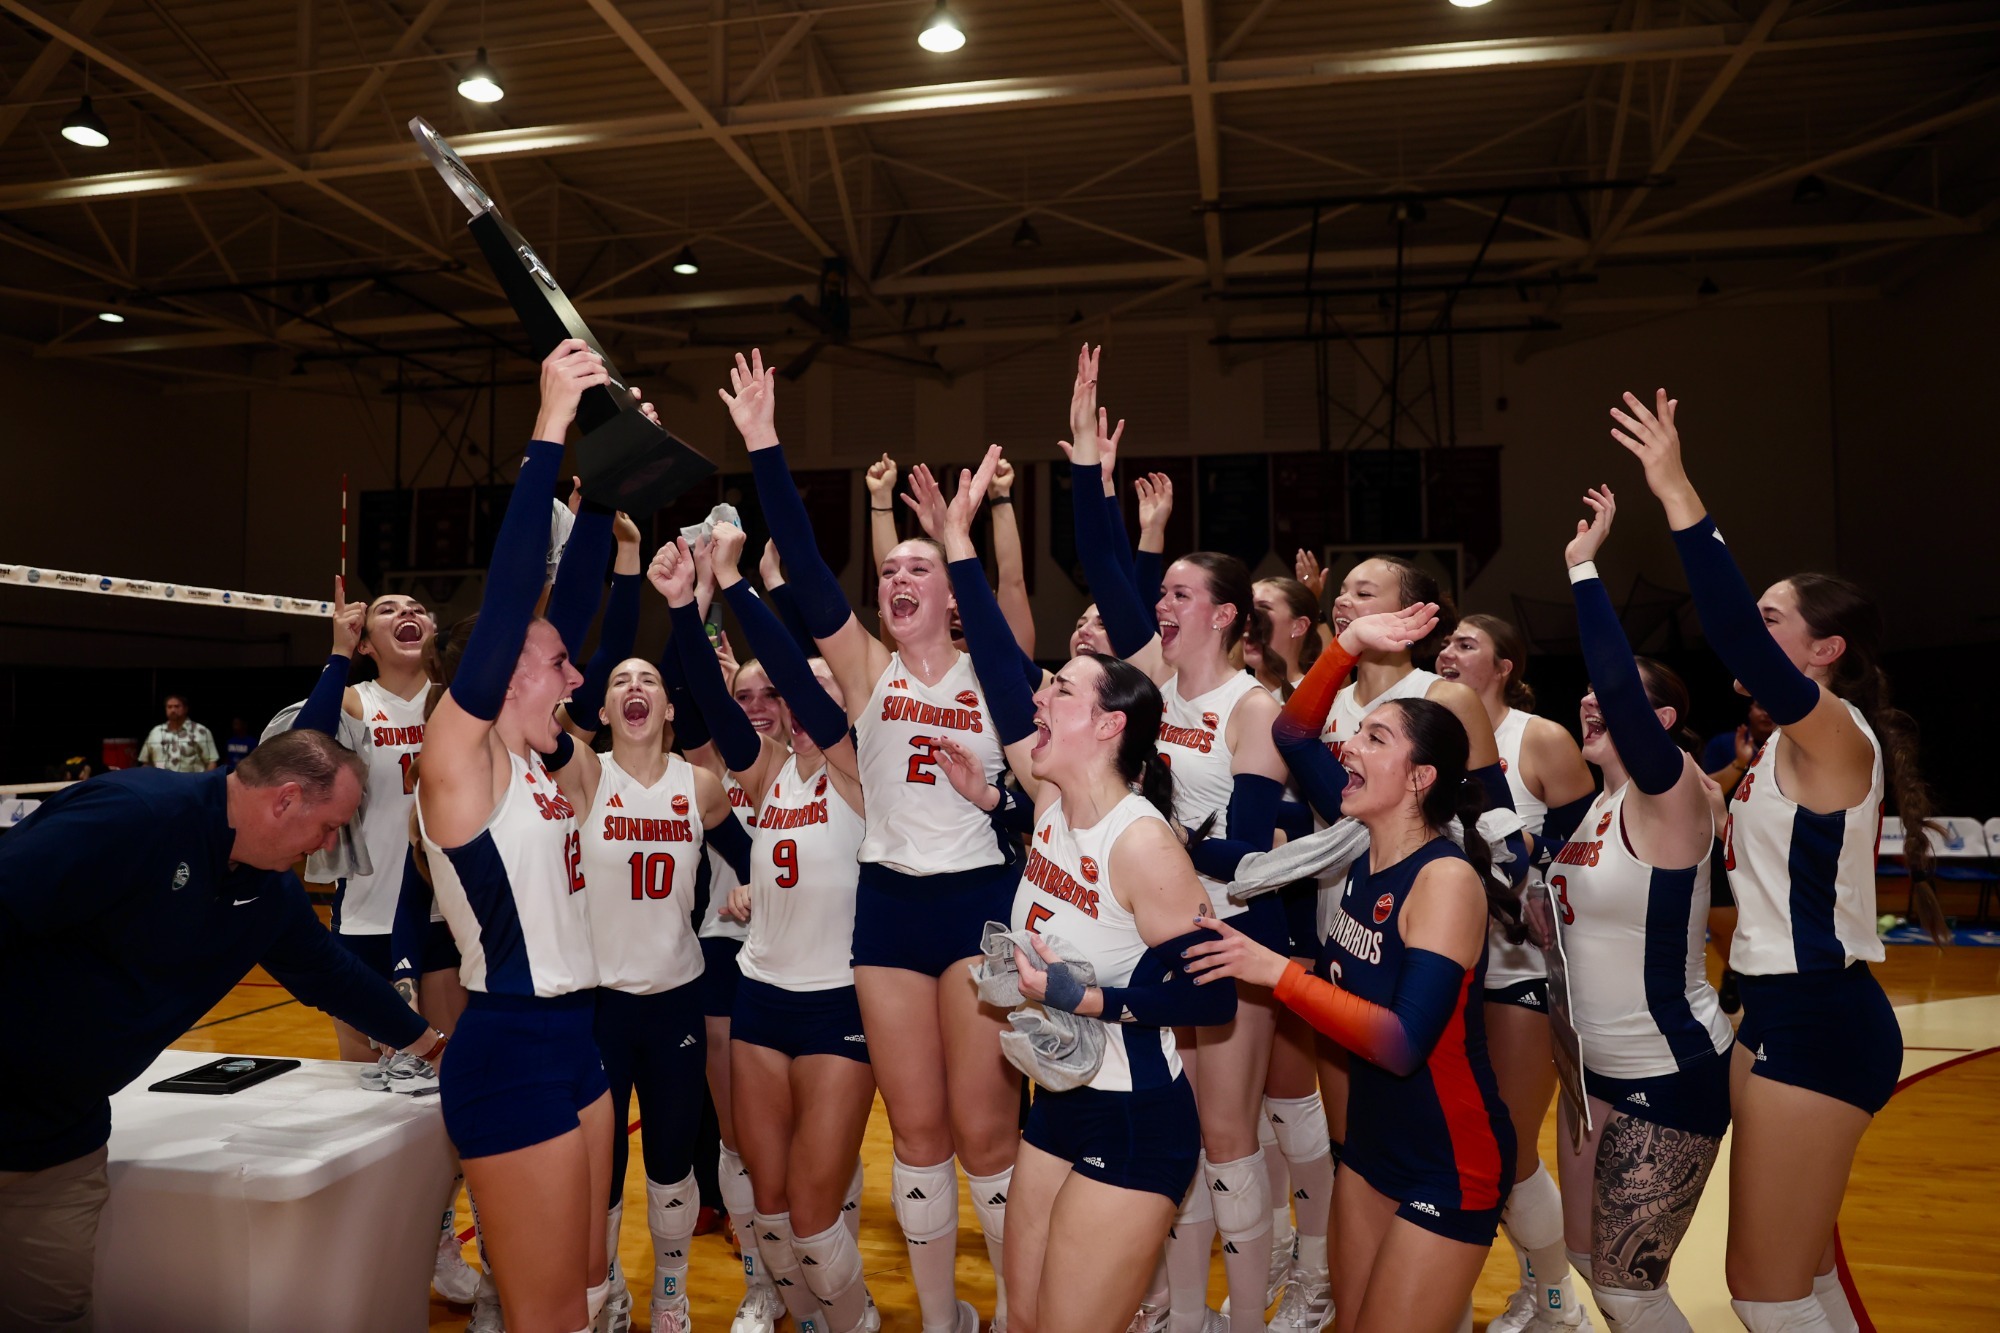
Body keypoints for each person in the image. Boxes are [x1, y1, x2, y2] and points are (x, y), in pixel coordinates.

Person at [1612, 388, 1944, 1333]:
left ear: (1825, 649)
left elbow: (1730, 632)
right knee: (1805, 1278)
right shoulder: (1771, 752)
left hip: (1822, 1015)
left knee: (1763, 1291)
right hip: (1768, 1005)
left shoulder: (1834, 734)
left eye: (1774, 619)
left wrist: (1676, 489)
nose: (1755, 633)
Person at [910, 451, 1234, 1333]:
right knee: (1025, 1321)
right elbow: (1002, 672)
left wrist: (1079, 992)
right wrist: (955, 543)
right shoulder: (1052, 794)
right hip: (1057, 1103)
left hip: (1137, 1119)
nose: (1041, 695)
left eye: (1062, 689)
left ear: (1111, 724)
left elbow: (1210, 993)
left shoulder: (1144, 843)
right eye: (1048, 687)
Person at [734, 350, 1015, 1333]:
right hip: (888, 909)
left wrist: (965, 534)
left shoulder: (993, 671)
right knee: (921, 1132)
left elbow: (998, 597)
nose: (897, 577)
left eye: (918, 569)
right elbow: (808, 576)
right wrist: (764, 442)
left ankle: (1020, 1309)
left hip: (979, 900)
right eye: (888, 568)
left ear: (950, 594)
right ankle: (940, 1322)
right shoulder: (865, 672)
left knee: (986, 1128)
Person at [0, 729, 444, 1331]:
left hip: (57, 1141)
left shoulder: (266, 889)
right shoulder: (134, 817)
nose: (329, 844)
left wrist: (432, 1046)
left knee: (50, 1314)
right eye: (329, 825)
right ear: (285, 800)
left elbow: (329, 974)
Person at [1061, 344, 1288, 1333]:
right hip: (1154, 934)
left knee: (1231, 1137)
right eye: (1163, 598)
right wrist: (1083, 464)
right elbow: (1106, 565)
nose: (1160, 606)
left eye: (1180, 597)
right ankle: (1184, 1314)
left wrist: (1155, 839)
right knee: (1182, 1132)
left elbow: (1246, 851)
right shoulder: (1147, 670)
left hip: (1228, 939)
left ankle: (1243, 1320)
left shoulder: (1254, 707)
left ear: (1226, 614)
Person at [1184, 689, 1518, 1333]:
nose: (1350, 748)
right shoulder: (1366, 859)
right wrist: (1250, 958)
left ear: (1421, 779)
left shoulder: (1445, 879)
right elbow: (1355, 982)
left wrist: (1278, 975)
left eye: (1375, 738)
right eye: (1356, 734)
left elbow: (1401, 1041)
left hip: (1450, 1160)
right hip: (1371, 1149)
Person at [416, 340, 619, 1333]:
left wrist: (609, 475)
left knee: (578, 1293)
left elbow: (561, 613)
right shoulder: (458, 766)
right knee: (549, 1316)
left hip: (578, 1039)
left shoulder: (541, 767)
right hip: (510, 1049)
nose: (575, 680)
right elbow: (509, 611)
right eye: (554, 667)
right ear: (498, 676)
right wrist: (547, 422)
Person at [677, 520, 884, 1333]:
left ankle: (856, 1318)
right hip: (761, 996)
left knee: (809, 1208)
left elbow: (799, 675)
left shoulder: (863, 773)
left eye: (818, 693)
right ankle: (810, 1316)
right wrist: (684, 606)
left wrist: (739, 585)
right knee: (764, 1201)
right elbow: (706, 695)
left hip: (837, 1004)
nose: (798, 706)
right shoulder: (766, 776)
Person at [1548, 485, 1733, 1332]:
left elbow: (1615, 687)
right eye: (1582, 698)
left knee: (1630, 1288)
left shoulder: (1673, 795)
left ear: (1658, 720)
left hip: (1667, 1070)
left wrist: (1584, 569)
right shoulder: (1593, 807)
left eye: (1612, 699)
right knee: (1590, 1262)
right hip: (1590, 1073)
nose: (1591, 702)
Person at [1433, 613, 1598, 1331]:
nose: (1447, 652)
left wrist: (1532, 871)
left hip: (1521, 965)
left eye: (1466, 644)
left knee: (1507, 1146)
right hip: (1444, 966)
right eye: (1446, 642)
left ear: (1504, 666)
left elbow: (1588, 844)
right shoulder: (1422, 730)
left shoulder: (1541, 737)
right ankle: (1524, 1286)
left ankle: (1555, 1298)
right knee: (1470, 1146)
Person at [1699, 700, 1772, 1014]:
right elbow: (1707, 790)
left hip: (1771, 845)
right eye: (1758, 704)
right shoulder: (1722, 745)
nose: (1765, 711)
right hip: (1724, 842)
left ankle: (1761, 981)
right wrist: (1741, 763)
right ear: (1749, 711)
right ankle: (1733, 971)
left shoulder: (1795, 742)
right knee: (1721, 923)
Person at [137, 692, 219, 772]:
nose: (173, 710)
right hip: (160, 782)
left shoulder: (201, 731)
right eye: (169, 707)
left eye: (177, 706)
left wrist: (205, 784)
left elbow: (211, 762)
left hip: (191, 783)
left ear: (185, 709)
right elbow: (146, 762)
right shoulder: (155, 732)